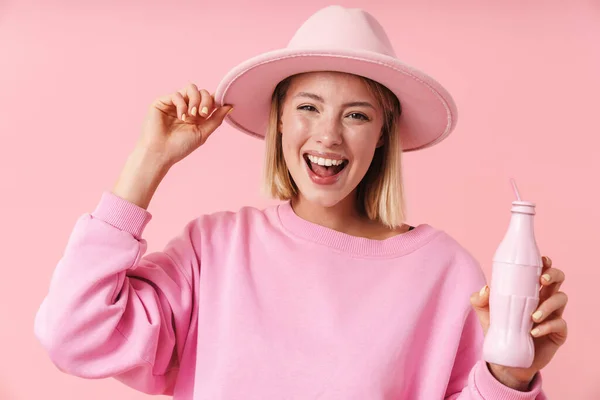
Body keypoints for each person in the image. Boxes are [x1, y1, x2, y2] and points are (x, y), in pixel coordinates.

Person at [34, 5, 568, 399]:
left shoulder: (445, 272)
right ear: (280, 120)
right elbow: (74, 334)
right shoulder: (215, 248)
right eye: (308, 107)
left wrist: (509, 377)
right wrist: (148, 161)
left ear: (382, 133)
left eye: (356, 114)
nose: (328, 136)